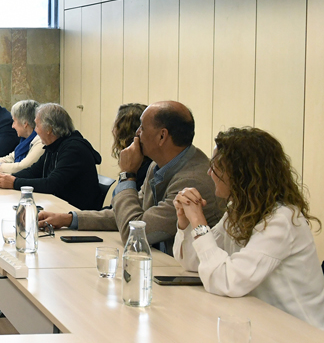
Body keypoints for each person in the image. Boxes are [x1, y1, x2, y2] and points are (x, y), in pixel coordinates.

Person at [173, 127, 324, 329]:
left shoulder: (281, 220)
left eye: (216, 167)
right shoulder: (240, 210)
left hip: (299, 331)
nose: (209, 173)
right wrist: (185, 221)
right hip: (262, 322)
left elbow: (228, 281)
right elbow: (195, 263)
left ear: (240, 173)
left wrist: (199, 223)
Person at [36, 101, 223, 254]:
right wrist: (69, 219)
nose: (137, 133)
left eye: (142, 127)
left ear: (162, 136)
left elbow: (134, 233)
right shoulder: (157, 166)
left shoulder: (191, 180)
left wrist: (127, 175)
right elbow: (127, 213)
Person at [0, 103, 103, 211]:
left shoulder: (73, 149)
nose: (35, 131)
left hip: (76, 212)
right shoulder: (54, 145)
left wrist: (15, 182)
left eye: (37, 126)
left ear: (49, 129)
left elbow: (51, 184)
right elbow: (34, 171)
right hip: (59, 205)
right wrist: (7, 179)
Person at [0, 99, 44, 174]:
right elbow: (10, 158)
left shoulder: (41, 141)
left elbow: (21, 167)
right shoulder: (25, 140)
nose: (13, 126)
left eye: (14, 121)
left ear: (25, 123)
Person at [111, 103, 152, 190]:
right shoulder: (146, 162)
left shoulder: (144, 170)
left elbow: (123, 202)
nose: (113, 130)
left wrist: (128, 174)